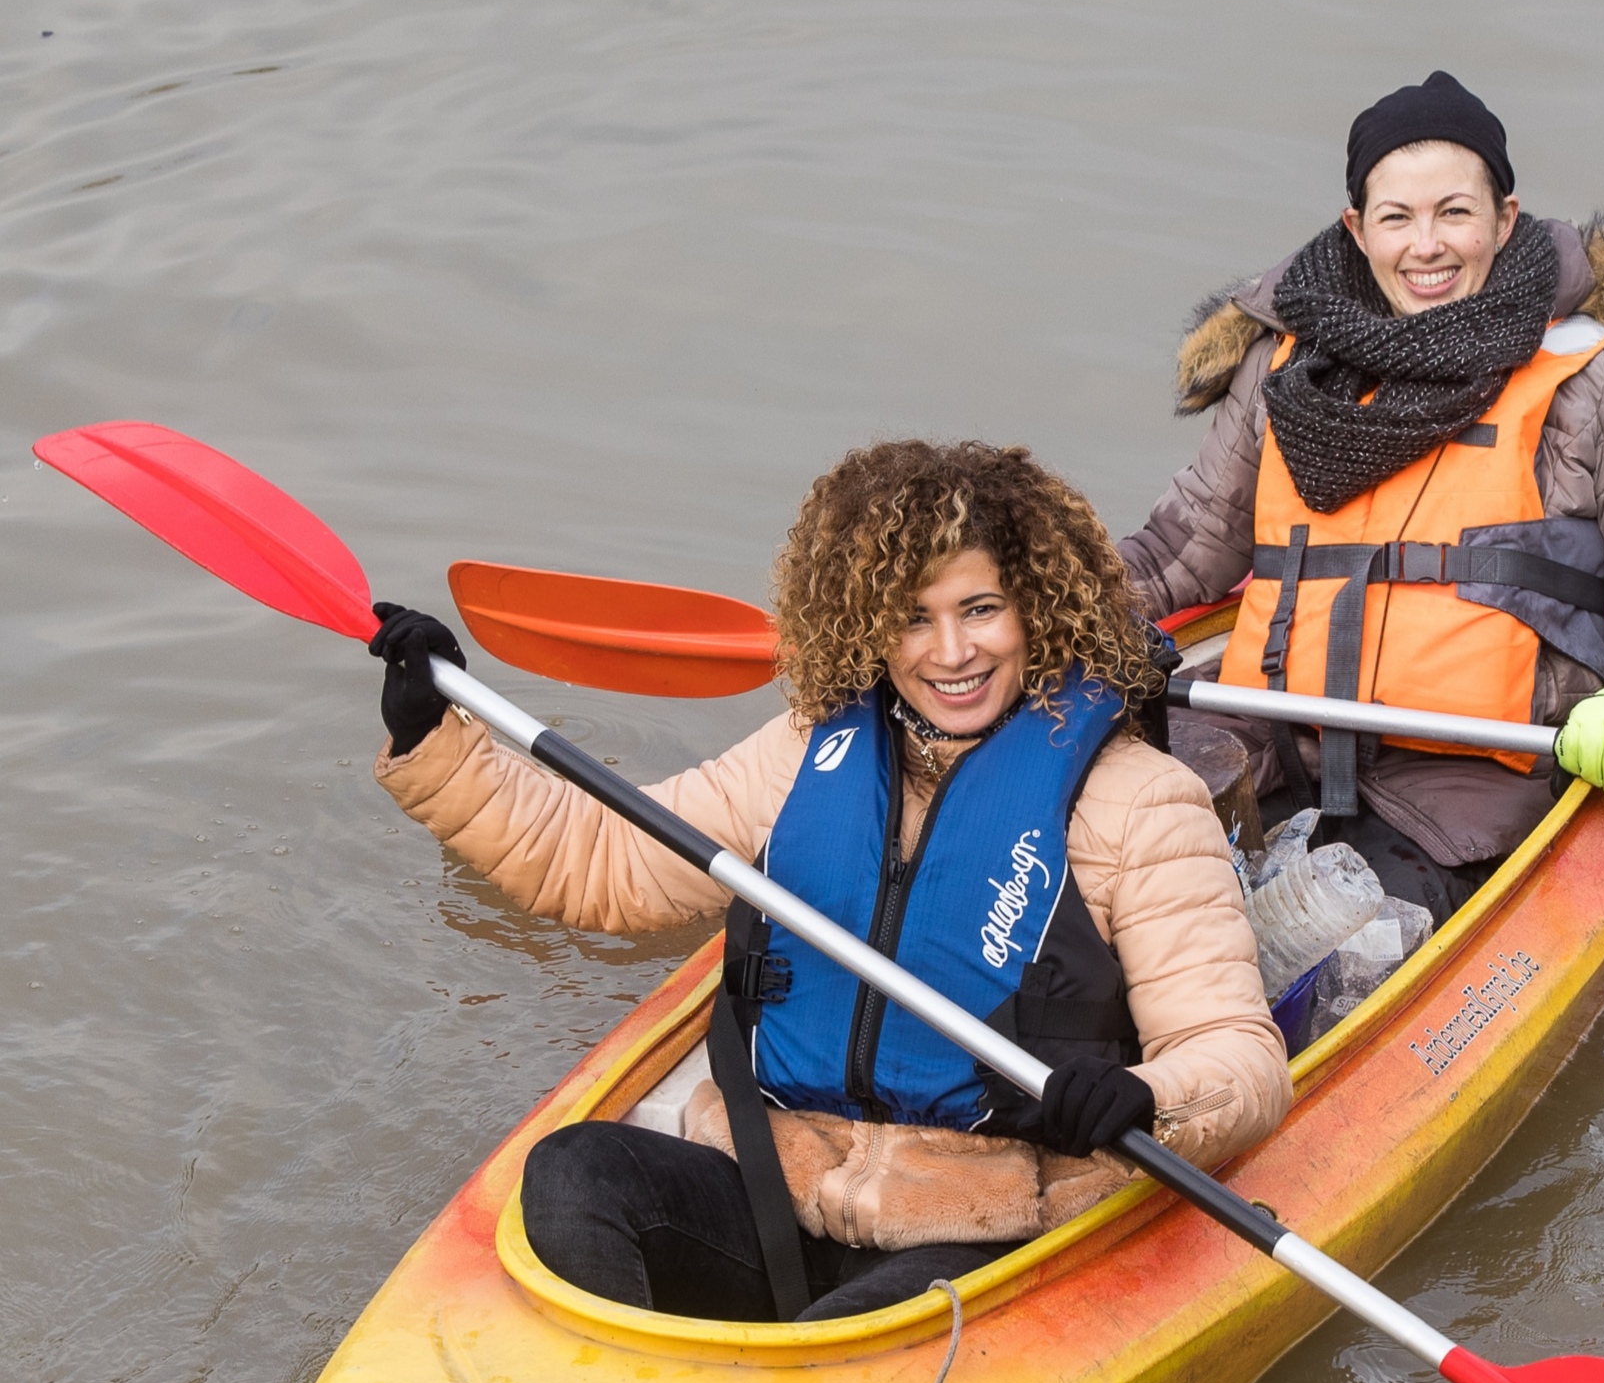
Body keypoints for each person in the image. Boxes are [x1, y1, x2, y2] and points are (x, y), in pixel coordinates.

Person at [368, 439, 1291, 1324]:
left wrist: (1150, 1098)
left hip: (988, 1228)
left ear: (1038, 610)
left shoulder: (1138, 801)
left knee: (853, 1337)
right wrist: (439, 742)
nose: (951, 653)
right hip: (779, 1194)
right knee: (572, 1172)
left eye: (981, 610)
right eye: (912, 618)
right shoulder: (807, 753)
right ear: (864, 625)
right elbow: (602, 864)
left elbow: (1238, 1057)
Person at [1119, 71, 1604, 924]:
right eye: (1397, 217)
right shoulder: (1282, 363)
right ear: (1357, 227)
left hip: (1468, 785)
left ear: (1504, 219)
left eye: (1455, 212)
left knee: (1327, 962)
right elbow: (1171, 556)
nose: (1427, 246)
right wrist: (1023, 613)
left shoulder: (1603, 376)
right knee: (1102, 900)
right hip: (1264, 745)